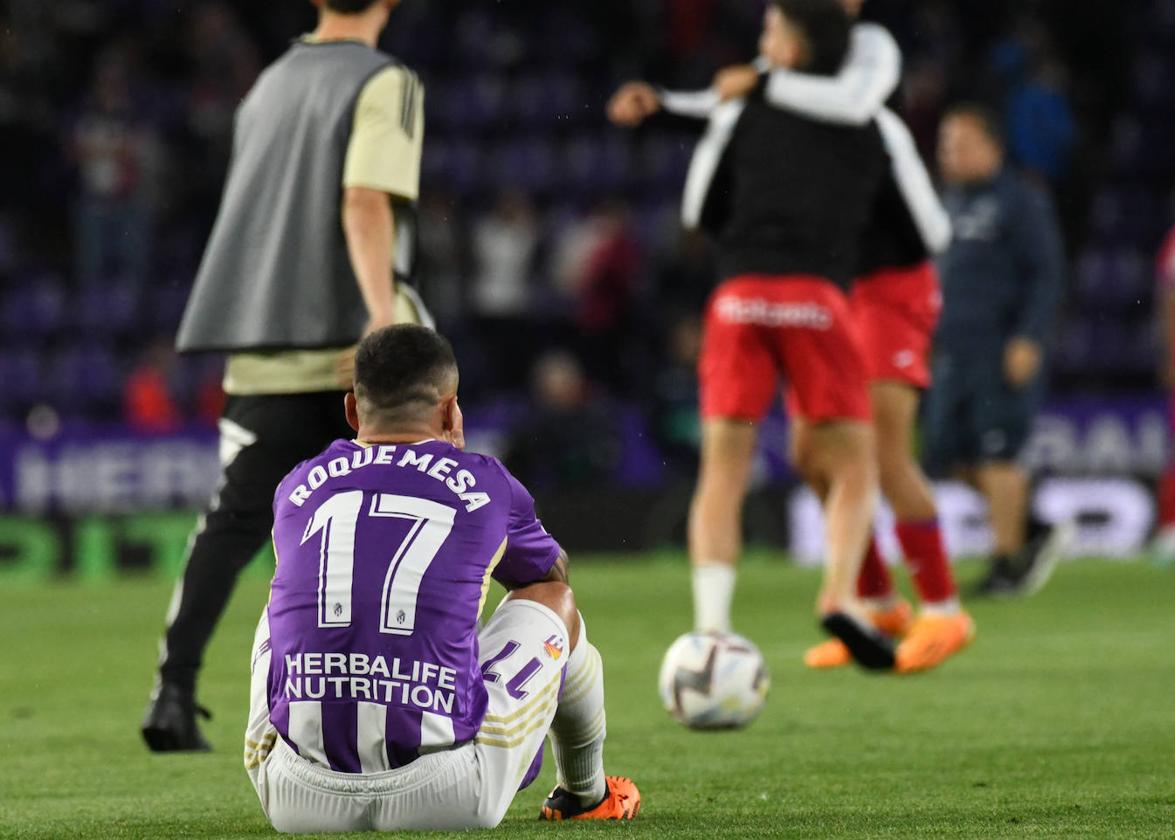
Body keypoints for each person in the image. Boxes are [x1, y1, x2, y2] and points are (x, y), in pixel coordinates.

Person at [143, 0, 431, 752]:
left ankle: (172, 692)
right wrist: (383, 322)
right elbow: (363, 199)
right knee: (405, 521)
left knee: (231, 524)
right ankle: (404, 698)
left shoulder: (267, 84)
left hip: (261, 347)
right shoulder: (384, 80)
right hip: (352, 355)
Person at [244, 325, 639, 831]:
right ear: (451, 411)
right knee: (554, 600)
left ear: (351, 410)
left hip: (293, 796)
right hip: (448, 792)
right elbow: (549, 575)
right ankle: (587, 793)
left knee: (282, 603)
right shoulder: (487, 481)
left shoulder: (296, 485)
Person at [610, 0, 896, 669]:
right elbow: (879, 217)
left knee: (723, 471)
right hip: (817, 297)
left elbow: (698, 207)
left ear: (792, 53)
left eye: (770, 34)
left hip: (738, 296)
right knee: (854, 465)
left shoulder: (746, 111)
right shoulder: (862, 125)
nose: (758, 46)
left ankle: (710, 628)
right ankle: (839, 597)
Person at [705, 0, 975, 672]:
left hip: (890, 286)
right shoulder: (786, 121)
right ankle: (876, 602)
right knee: (808, 453)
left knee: (879, 451)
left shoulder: (867, 119)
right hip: (830, 292)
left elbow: (929, 228)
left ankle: (943, 610)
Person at [927, 104, 1069, 596]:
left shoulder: (1020, 200)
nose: (952, 154)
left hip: (999, 348)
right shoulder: (947, 202)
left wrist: (1029, 336)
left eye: (962, 143)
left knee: (997, 453)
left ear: (992, 147)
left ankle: (1007, 565)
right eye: (946, 144)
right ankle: (1031, 527)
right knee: (945, 454)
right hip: (951, 352)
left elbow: (1046, 274)